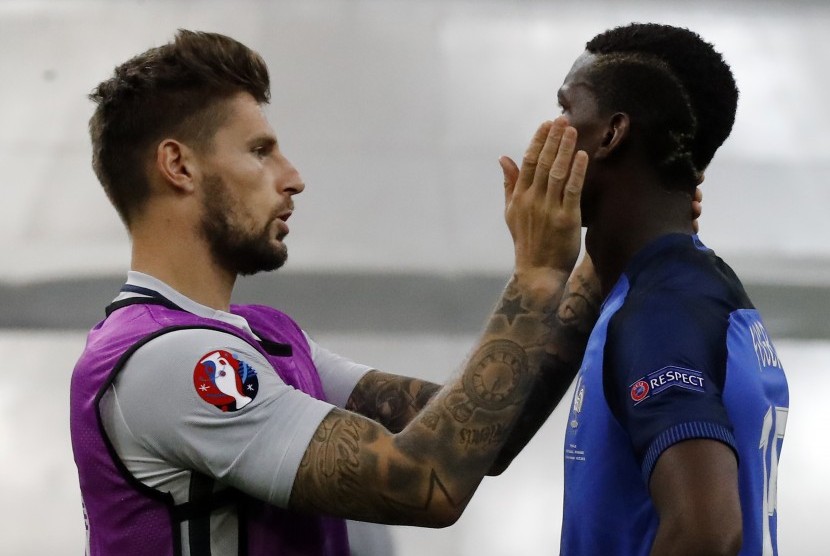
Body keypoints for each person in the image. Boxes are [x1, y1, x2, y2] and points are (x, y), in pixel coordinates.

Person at [69, 29, 602, 555]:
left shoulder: (263, 335)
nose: (294, 178)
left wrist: (595, 268)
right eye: (260, 151)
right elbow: (427, 482)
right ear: (179, 166)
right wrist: (534, 277)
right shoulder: (170, 362)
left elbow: (481, 434)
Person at [548, 23, 790, 555]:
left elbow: (706, 533)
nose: (550, 130)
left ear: (610, 134)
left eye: (566, 110)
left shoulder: (660, 312)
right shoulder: (692, 287)